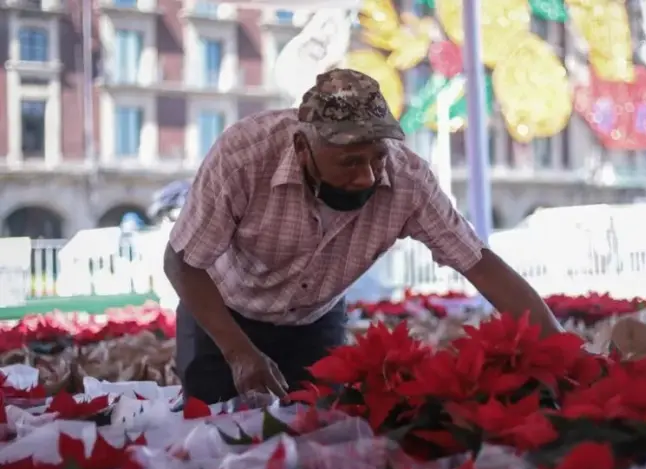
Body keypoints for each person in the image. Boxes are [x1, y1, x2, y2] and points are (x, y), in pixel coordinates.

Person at [164, 68, 565, 404]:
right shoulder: (245, 156)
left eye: (377, 157)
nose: (369, 176)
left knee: (318, 434)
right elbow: (181, 261)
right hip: (222, 313)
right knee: (213, 429)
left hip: (314, 318)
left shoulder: (409, 180)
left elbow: (481, 265)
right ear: (303, 147)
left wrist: (565, 355)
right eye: (350, 161)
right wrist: (237, 352)